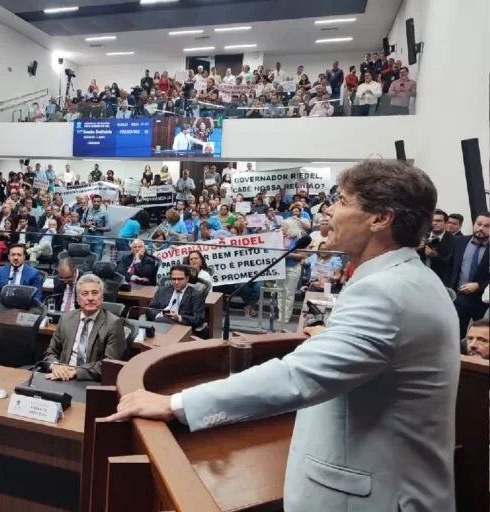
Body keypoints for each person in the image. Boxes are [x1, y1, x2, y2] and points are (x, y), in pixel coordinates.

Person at [105, 160, 460, 512]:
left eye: (343, 202)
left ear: (381, 219)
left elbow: (299, 377)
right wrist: (334, 336)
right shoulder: (409, 279)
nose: (329, 211)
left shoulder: (385, 293)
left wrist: (176, 404)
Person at [42, 274, 126, 382]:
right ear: (77, 299)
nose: (90, 298)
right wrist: (55, 366)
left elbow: (109, 364)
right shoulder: (66, 318)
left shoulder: (113, 324)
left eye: (95, 293)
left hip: (89, 381)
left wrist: (76, 372)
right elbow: (50, 352)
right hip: (61, 377)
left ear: (102, 297)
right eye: (85, 294)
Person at [447, 212, 490, 338]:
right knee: (456, 333)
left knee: (481, 336)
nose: (481, 228)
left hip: (483, 300)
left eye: (487, 226)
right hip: (460, 297)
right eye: (479, 224)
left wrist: (479, 285)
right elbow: (450, 267)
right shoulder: (459, 242)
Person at [417, 209, 454, 283]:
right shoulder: (420, 237)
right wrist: (415, 249)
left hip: (441, 281)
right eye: (432, 220)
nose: (434, 223)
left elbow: (452, 265)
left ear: (446, 223)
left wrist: (436, 256)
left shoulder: (454, 241)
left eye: (438, 221)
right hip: (419, 279)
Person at [81, 194, 110, 259]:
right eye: (94, 201)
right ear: (92, 201)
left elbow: (109, 228)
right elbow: (81, 223)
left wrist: (97, 228)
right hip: (86, 240)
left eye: (98, 201)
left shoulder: (104, 213)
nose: (96, 203)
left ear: (101, 202)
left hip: (98, 241)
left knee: (96, 261)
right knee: (85, 260)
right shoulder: (87, 210)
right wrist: (87, 225)